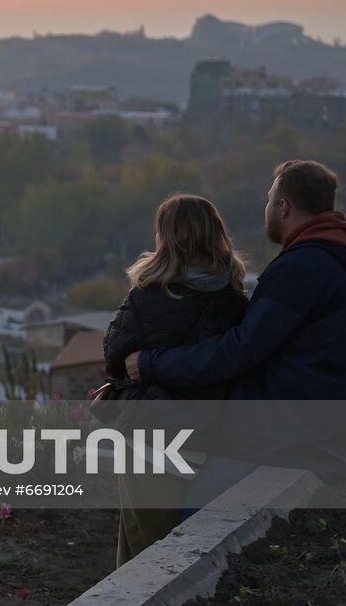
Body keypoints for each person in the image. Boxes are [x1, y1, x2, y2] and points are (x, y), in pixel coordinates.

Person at [125, 160, 346, 506]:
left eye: (270, 199)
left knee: (193, 525)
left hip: (288, 440)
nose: (267, 207)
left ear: (283, 207)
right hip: (320, 431)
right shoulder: (334, 260)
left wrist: (151, 364)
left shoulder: (302, 269)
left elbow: (238, 351)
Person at [102, 193, 249, 566]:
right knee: (149, 548)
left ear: (167, 238)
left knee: (148, 557)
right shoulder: (235, 301)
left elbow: (114, 357)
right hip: (208, 439)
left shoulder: (149, 294)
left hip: (148, 442)